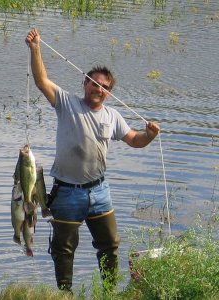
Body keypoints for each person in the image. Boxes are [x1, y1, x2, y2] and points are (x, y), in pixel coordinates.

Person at [25, 28, 160, 292]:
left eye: (104, 87)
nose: (99, 89)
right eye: (94, 83)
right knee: (63, 250)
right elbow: (42, 81)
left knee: (109, 246)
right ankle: (65, 295)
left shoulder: (113, 116)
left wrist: (150, 135)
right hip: (66, 192)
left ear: (109, 92)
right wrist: (36, 48)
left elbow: (135, 140)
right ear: (84, 82)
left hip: (100, 192)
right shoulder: (67, 103)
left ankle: (108, 293)